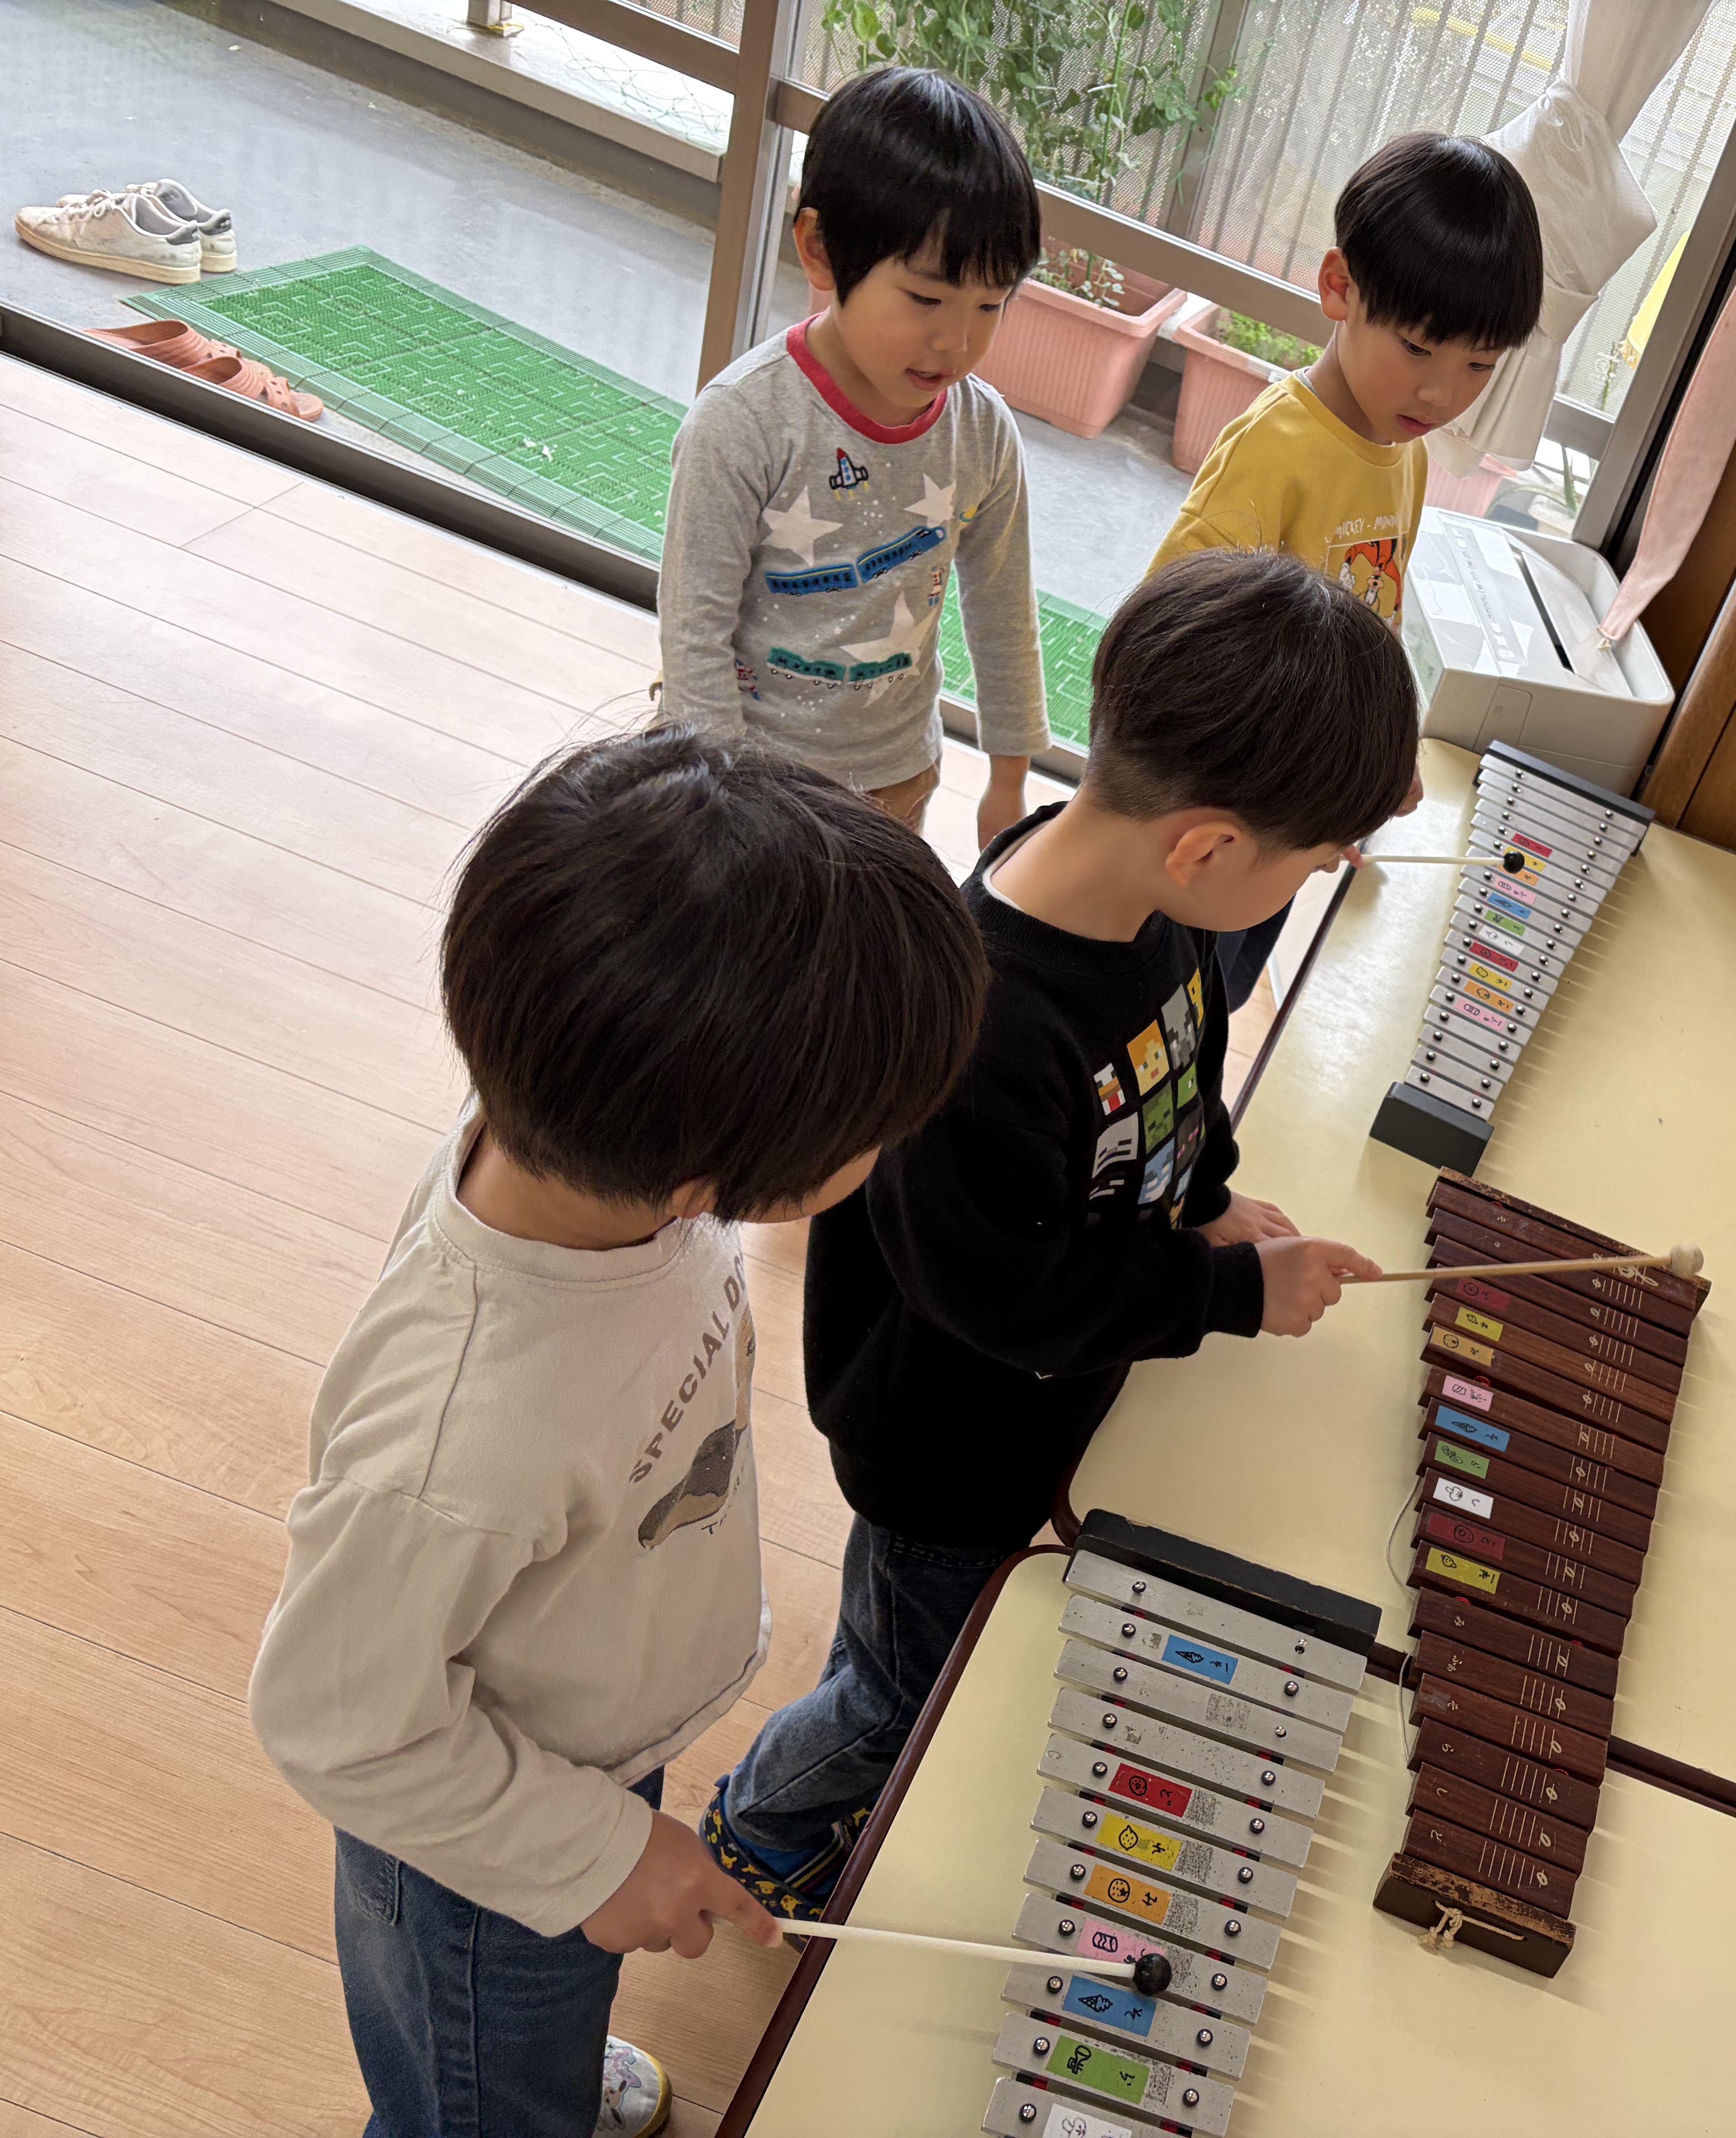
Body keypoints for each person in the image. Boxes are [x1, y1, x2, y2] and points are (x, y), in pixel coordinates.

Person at [250, 730, 989, 2136]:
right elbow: (337, 1719)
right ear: (704, 1179)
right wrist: (590, 1854)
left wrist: (610, 1843)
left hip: (583, 1723)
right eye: (874, 1133)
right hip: (470, 1835)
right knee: (480, 2082)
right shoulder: (462, 1437)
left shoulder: (602, 1141)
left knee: (550, 2002)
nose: (893, 1148)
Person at [702, 550, 1409, 1913]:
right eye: (1309, 865)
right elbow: (1008, 1299)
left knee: (913, 1648)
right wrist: (1227, 1296)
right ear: (1210, 846)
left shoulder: (1149, 900)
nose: (1309, 884)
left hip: (1045, 1391)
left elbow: (1184, 1068)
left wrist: (1206, 1200)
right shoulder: (983, 1028)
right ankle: (760, 1831)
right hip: (950, 1442)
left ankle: (827, 1777)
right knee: (907, 1684)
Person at [1148, 131, 1542, 1009]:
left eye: (1480, 365)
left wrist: (1374, 755)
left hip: (1288, 827)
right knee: (1158, 1008)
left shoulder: (1406, 456)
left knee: (1219, 1005)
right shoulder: (1276, 448)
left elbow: (1375, 623)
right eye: (1419, 348)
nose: (1443, 393)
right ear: (1339, 288)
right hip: (1214, 822)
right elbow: (1165, 638)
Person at [658, 65, 1049, 846]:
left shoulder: (981, 432)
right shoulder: (743, 422)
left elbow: (1003, 609)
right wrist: (718, 801)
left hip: (896, 779)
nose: (958, 341)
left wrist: (1010, 780)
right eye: (926, 298)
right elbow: (693, 635)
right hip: (747, 786)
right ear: (821, 250)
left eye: (990, 305)